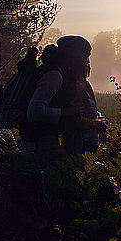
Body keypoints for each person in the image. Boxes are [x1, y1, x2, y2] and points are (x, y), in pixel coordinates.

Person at [25, 36, 107, 164]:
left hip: (43, 140)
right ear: (74, 59)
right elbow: (33, 112)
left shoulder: (63, 76)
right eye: (84, 58)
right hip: (37, 143)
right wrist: (66, 112)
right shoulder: (54, 76)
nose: (87, 63)